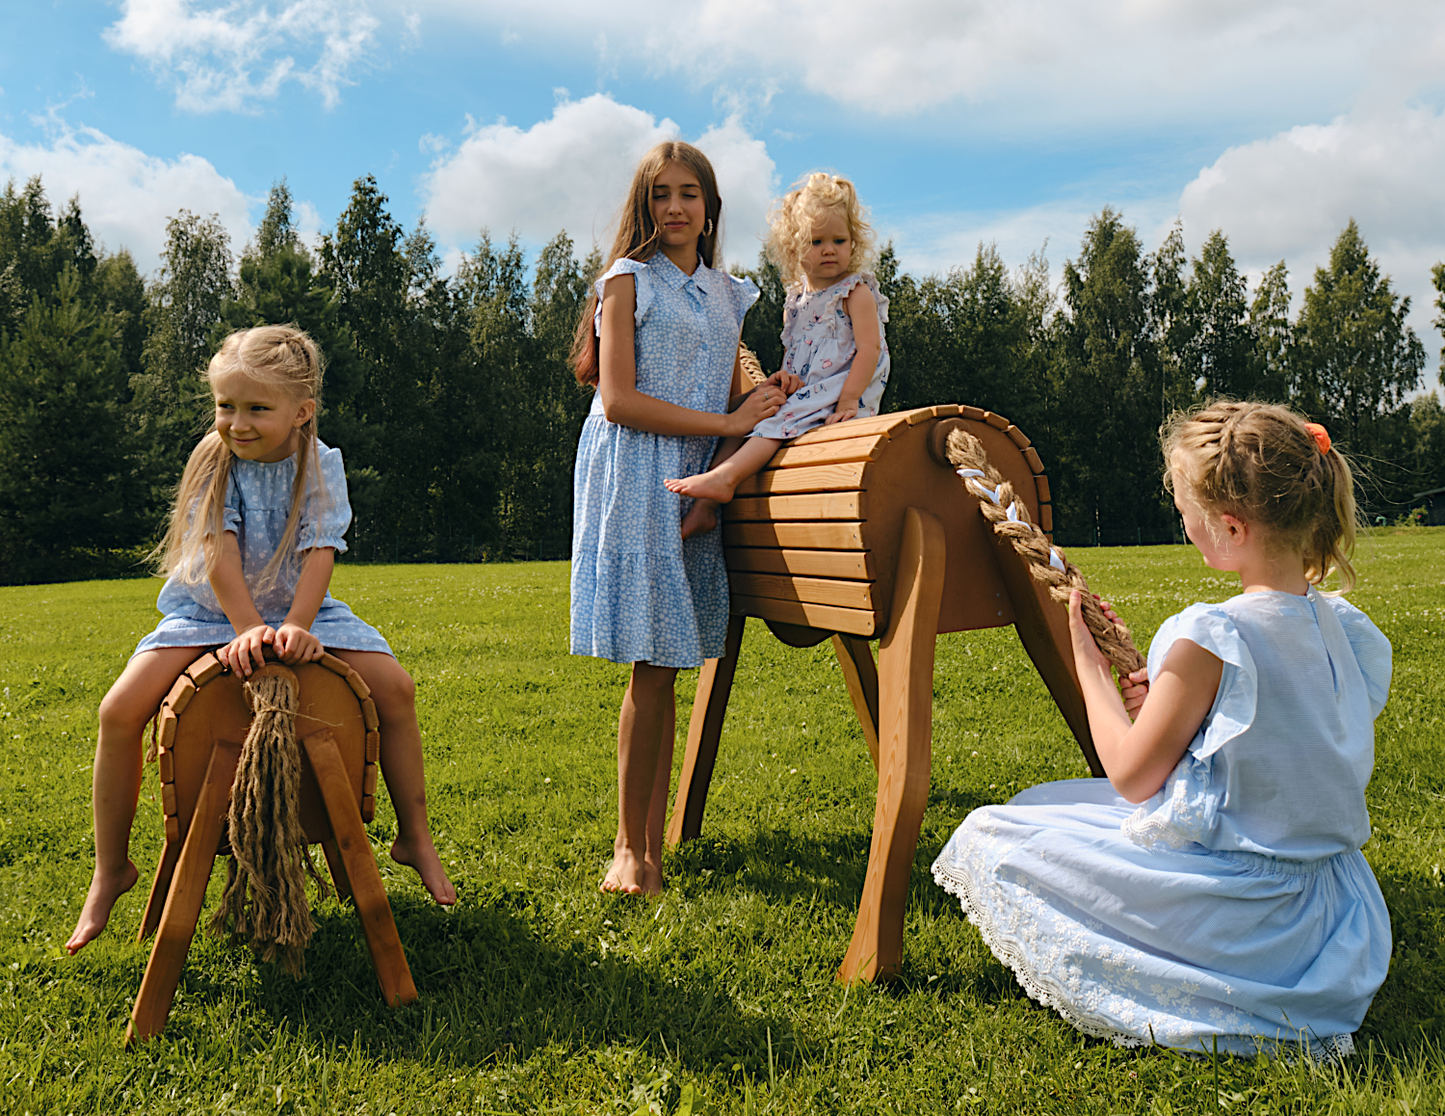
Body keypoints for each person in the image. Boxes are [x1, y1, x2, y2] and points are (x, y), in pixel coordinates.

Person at [932, 401, 1393, 1057]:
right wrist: (1177, 709)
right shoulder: (1345, 630)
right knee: (1042, 806)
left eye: (1185, 510)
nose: (1183, 523)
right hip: (1332, 914)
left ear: (1229, 527)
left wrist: (1089, 670)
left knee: (992, 833)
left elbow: (1129, 776)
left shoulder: (1214, 635)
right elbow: (1270, 743)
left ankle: (1204, 976)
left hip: (1243, 911)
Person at [67, 325, 455, 954]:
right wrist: (248, 629)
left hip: (304, 608)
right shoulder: (213, 458)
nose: (236, 423)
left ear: (301, 412)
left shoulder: (320, 461)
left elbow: (320, 547)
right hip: (211, 613)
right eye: (225, 406)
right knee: (118, 711)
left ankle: (416, 836)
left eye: (255, 408)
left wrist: (297, 624)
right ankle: (111, 868)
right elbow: (218, 552)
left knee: (396, 689)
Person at [570, 140, 794, 896]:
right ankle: (628, 851)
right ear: (645, 205)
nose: (674, 206)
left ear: (709, 207)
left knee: (672, 657)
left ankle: (650, 845)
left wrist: (772, 396)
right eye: (660, 193)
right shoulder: (625, 281)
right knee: (651, 662)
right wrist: (730, 427)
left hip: (699, 470)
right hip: (636, 467)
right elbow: (617, 399)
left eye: (688, 193)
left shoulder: (732, 295)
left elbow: (738, 385)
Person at [664, 172, 889, 537]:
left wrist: (849, 397)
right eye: (816, 241)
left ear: (854, 242)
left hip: (843, 390)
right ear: (794, 249)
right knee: (750, 411)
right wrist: (785, 379)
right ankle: (705, 506)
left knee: (774, 422)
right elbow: (798, 356)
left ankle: (725, 479)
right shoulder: (797, 301)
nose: (829, 249)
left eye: (839, 240)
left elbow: (870, 349)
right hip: (809, 388)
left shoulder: (855, 292)